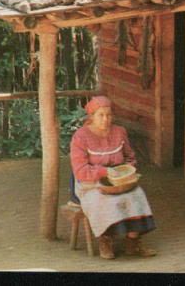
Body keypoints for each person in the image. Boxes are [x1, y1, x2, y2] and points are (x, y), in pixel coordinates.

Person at [70, 95, 157, 259]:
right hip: (90, 182)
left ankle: (133, 241)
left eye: (109, 115)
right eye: (101, 115)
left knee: (136, 194)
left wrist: (129, 169)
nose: (105, 119)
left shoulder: (119, 132)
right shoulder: (80, 137)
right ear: (92, 117)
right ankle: (105, 240)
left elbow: (130, 157)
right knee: (104, 200)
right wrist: (104, 172)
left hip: (118, 178)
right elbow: (80, 170)